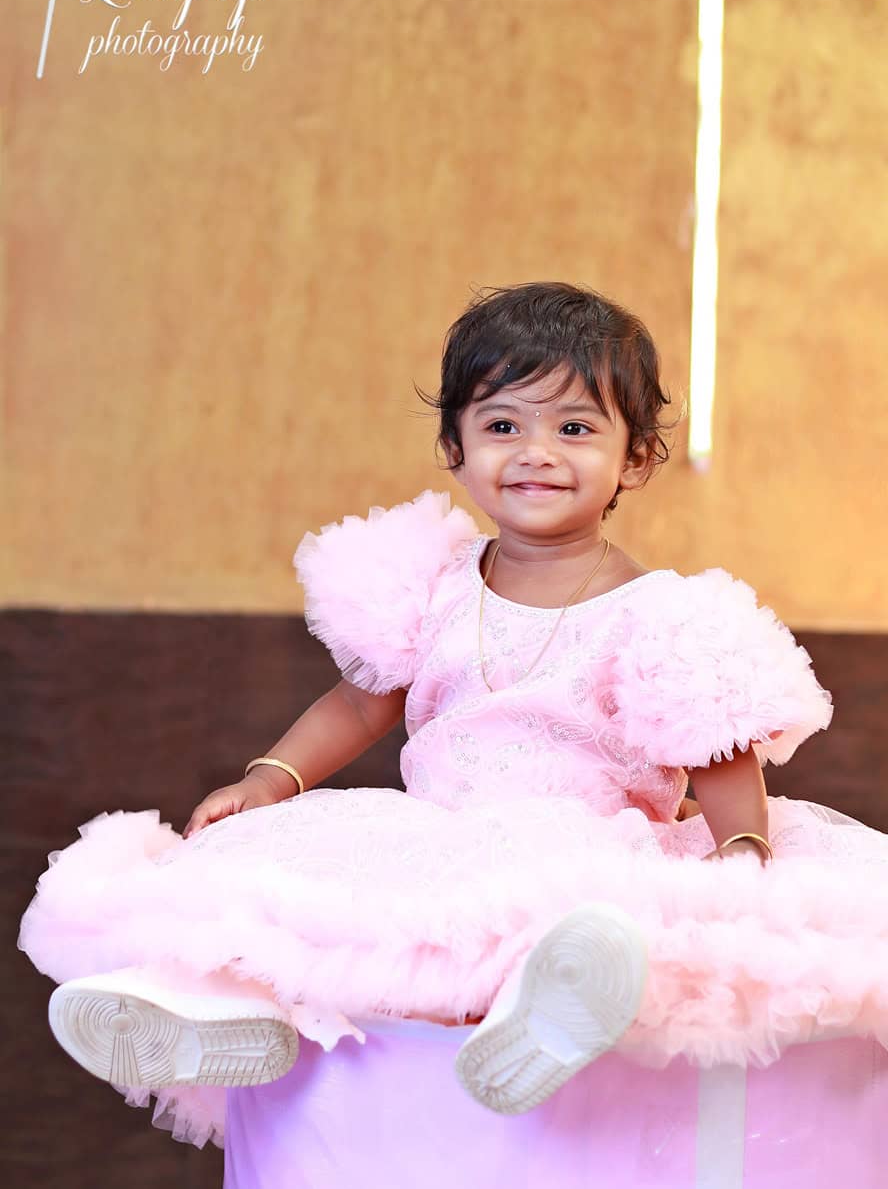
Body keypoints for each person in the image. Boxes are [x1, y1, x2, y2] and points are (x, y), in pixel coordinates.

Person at [18, 281, 888, 1151]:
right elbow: (360, 702)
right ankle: (204, 1012)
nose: (535, 453)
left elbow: (718, 747)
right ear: (455, 448)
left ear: (636, 459)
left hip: (587, 838)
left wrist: (742, 845)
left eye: (574, 428)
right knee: (265, 875)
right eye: (503, 426)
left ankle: (542, 1016)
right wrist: (271, 777)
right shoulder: (430, 582)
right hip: (436, 834)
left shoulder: (663, 614)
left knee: (575, 922)